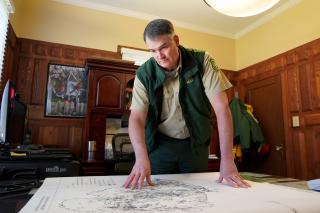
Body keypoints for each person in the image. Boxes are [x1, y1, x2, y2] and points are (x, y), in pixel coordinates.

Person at [123, 19, 250, 189]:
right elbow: (137, 118)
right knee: (158, 195)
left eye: (163, 47)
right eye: (152, 51)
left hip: (195, 144)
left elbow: (222, 109)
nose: (159, 56)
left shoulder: (202, 61)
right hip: (160, 145)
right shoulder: (144, 73)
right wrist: (140, 157)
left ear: (176, 40)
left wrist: (227, 160)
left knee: (197, 193)